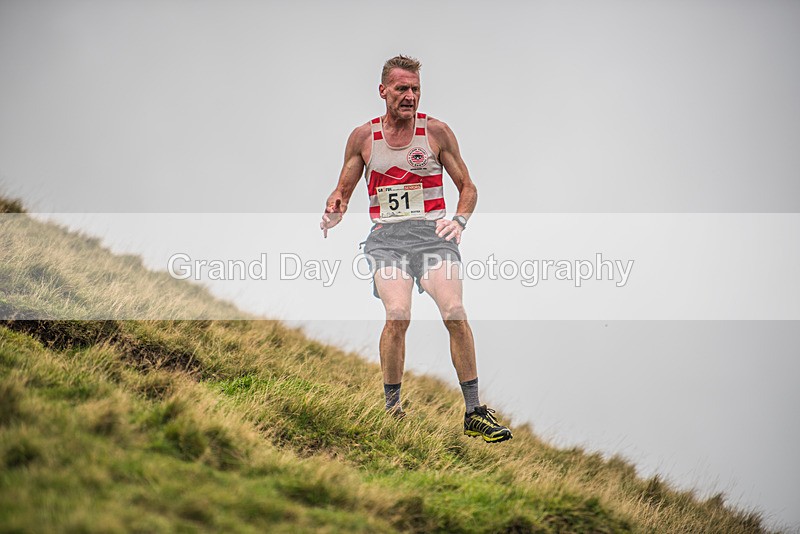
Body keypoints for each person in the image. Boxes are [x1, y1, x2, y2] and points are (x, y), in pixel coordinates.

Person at [320, 55, 512, 443]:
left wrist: (459, 220)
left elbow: (468, 187)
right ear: (383, 91)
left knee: (455, 311)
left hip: (433, 237)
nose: (409, 96)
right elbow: (342, 191)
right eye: (401, 89)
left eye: (415, 89)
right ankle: (393, 411)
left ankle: (474, 412)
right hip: (387, 242)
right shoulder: (363, 138)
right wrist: (335, 207)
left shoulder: (436, 132)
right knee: (397, 314)